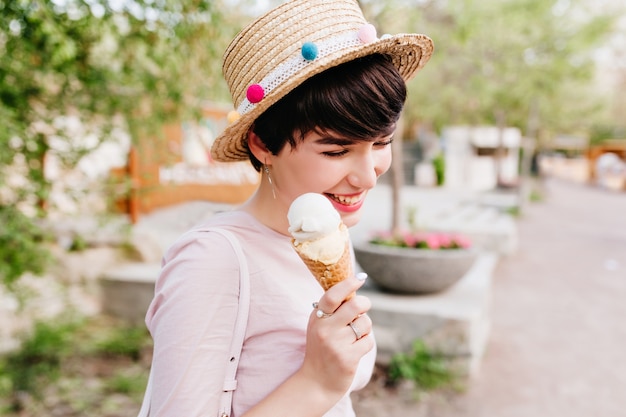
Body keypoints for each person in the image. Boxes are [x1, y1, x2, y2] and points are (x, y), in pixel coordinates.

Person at [139, 0, 433, 416]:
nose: (369, 176)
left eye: (381, 143)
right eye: (336, 150)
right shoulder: (212, 261)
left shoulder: (329, 233)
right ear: (262, 143)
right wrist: (315, 384)